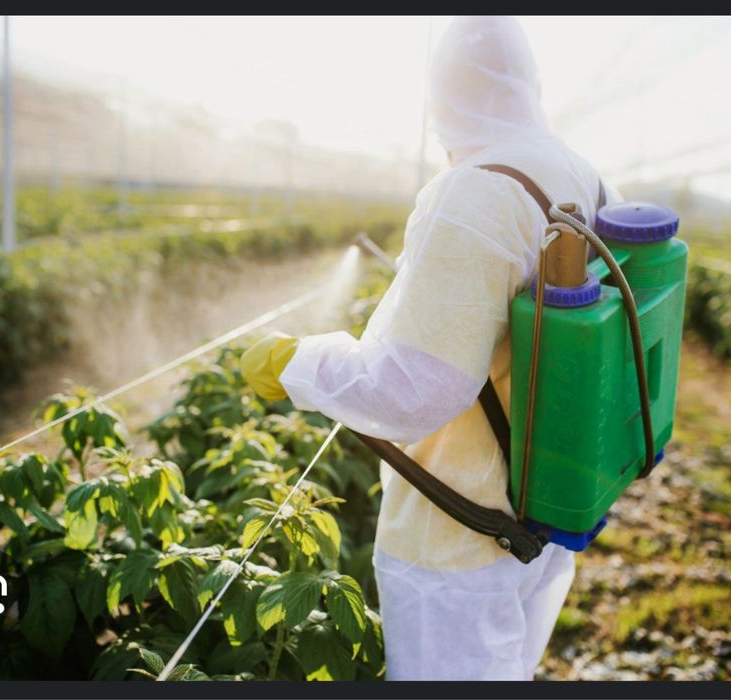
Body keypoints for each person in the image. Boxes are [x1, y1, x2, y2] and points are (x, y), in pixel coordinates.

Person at [241, 15, 620, 681]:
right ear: (532, 86)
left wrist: (294, 363)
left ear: (440, 97)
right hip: (545, 502)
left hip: (458, 538)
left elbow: (413, 391)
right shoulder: (582, 175)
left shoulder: (475, 192)